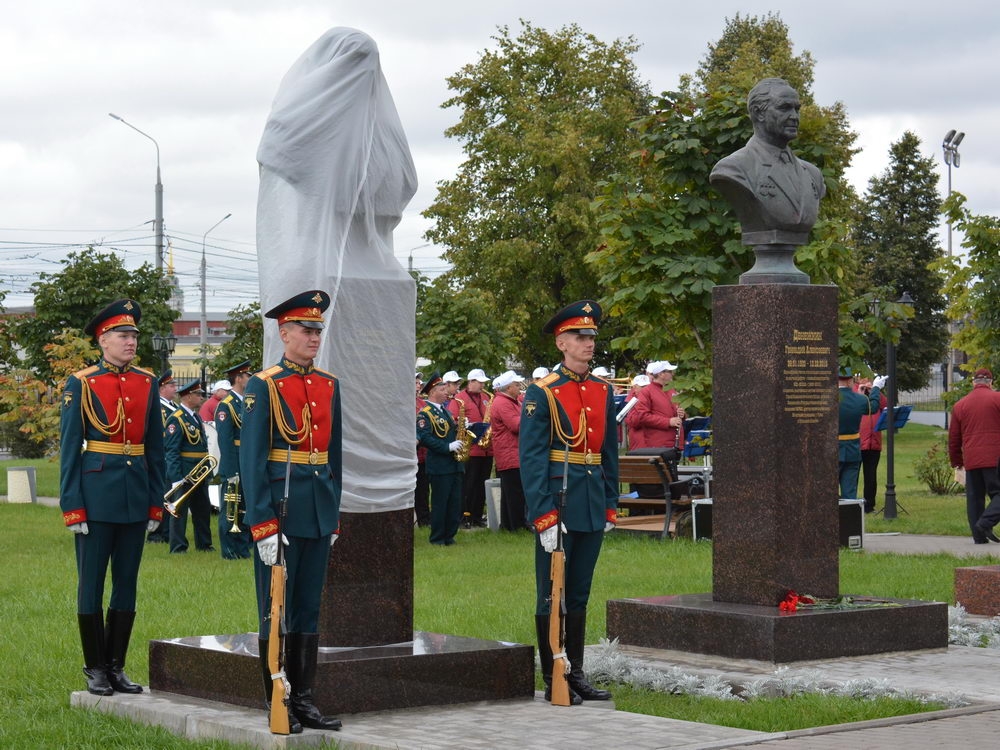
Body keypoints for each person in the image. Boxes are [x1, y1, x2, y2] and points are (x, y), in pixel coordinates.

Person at [241, 290, 343, 732]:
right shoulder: (264, 385)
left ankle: (304, 698)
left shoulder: (328, 384)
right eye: (306, 329)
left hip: (317, 509)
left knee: (307, 608)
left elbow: (334, 455)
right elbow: (252, 460)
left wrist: (334, 512)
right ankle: (277, 698)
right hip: (280, 510)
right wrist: (262, 523)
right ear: (284, 333)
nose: (314, 336)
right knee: (275, 608)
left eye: (318, 329)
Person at [59, 299, 165, 696]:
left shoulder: (146, 381)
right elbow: (70, 448)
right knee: (91, 584)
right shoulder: (82, 382)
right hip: (96, 494)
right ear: (103, 340)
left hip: (135, 495)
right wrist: (72, 506)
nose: (131, 341)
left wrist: (156, 501)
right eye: (123, 335)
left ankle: (116, 666)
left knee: (126, 583)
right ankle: (95, 668)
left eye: (134, 335)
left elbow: (154, 447)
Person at [519, 299, 618, 704]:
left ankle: (575, 673)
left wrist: (610, 503)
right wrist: (543, 515)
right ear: (562, 342)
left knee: (578, 592)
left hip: (591, 501)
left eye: (592, 335)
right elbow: (532, 458)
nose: (588, 342)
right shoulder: (542, 393)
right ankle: (552, 676)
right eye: (580, 335)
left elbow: (609, 451)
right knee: (551, 592)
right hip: (558, 502)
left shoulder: (602, 390)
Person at [710, 78, 826, 243]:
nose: (794, 116)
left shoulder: (813, 174)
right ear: (759, 113)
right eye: (784, 108)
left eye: (797, 109)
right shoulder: (733, 169)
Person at [948, 368, 1000, 544]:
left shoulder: (960, 405)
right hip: (995, 458)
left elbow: (954, 438)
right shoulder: (998, 399)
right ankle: (985, 523)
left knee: (974, 498)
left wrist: (957, 461)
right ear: (991, 382)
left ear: (973, 383)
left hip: (972, 459)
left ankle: (979, 538)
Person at [164, 380, 215, 553]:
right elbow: (171, 451)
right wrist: (175, 478)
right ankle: (178, 546)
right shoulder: (176, 419)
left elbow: (202, 445)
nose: (201, 397)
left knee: (202, 509)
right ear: (188, 396)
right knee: (179, 512)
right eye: (198, 394)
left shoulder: (195, 416)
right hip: (184, 472)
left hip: (199, 471)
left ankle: (204, 543)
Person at [417, 371, 465, 545]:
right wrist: (447, 447)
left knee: (454, 503)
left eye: (446, 388)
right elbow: (425, 437)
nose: (447, 392)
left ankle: (449, 536)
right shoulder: (425, 413)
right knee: (440, 503)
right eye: (443, 389)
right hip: (439, 465)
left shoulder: (444, 410)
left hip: (454, 464)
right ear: (432, 391)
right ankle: (437, 538)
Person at [214, 360, 254, 560]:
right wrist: (231, 471)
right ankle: (230, 549)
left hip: (247, 460)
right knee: (231, 506)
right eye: (247, 375)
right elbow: (225, 441)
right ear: (238, 378)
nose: (250, 378)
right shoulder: (226, 405)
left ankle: (243, 546)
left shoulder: (246, 402)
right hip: (234, 462)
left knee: (245, 505)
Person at [449, 368, 493, 528]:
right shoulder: (459, 399)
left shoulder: (487, 397)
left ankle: (476, 515)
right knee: (468, 484)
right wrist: (465, 424)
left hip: (487, 449)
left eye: (483, 382)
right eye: (480, 382)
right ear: (471, 382)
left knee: (482, 484)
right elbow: (453, 419)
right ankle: (463, 516)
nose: (482, 385)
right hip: (471, 449)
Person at [837, 367, 884, 500]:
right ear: (849, 381)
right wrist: (876, 388)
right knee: (849, 492)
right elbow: (873, 407)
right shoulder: (860, 399)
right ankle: (849, 519)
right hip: (852, 449)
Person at [490, 369, 527, 531]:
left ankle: (508, 525)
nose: (519, 387)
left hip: (513, 452)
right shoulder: (503, 403)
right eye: (516, 385)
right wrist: (531, 416)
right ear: (508, 388)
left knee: (510, 492)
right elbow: (515, 425)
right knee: (515, 493)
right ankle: (516, 525)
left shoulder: (512, 401)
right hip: (510, 453)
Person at [146, 369, 178, 544]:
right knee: (162, 494)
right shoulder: (158, 406)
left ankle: (166, 531)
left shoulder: (173, 407)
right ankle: (156, 533)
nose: (175, 388)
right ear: (162, 388)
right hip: (163, 455)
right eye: (171, 385)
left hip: (172, 456)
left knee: (169, 496)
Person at [627, 361, 685, 451]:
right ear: (661, 374)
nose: (672, 374)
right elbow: (643, 416)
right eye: (669, 372)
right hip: (658, 444)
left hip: (674, 442)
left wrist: (682, 414)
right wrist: (668, 422)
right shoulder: (646, 392)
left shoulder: (671, 390)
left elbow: (676, 413)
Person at [856, 376, 888, 514]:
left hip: (873, 443)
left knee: (871, 476)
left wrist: (876, 390)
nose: (866, 382)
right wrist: (861, 390)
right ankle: (849, 503)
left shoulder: (877, 397)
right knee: (853, 475)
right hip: (857, 443)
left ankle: (869, 505)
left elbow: (885, 405)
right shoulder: (855, 393)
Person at [414, 372, 431, 527]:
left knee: (423, 490)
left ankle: (424, 519)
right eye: (415, 382)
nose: (418, 386)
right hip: (410, 454)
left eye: (419, 383)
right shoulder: (401, 403)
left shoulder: (423, 403)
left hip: (424, 454)